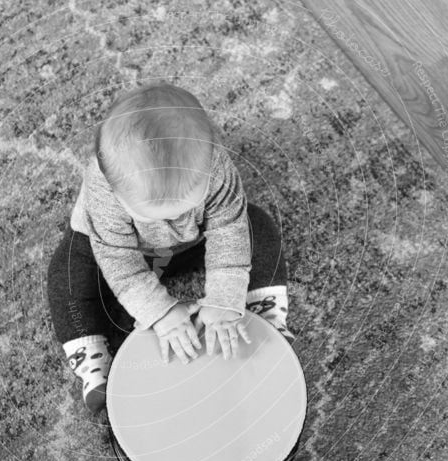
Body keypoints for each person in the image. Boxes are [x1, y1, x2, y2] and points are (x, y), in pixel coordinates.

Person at [47, 82, 293, 413]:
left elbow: (228, 231)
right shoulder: (103, 192)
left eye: (183, 207)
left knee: (256, 225)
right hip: (121, 250)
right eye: (157, 214)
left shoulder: (218, 170)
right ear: (115, 191)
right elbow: (120, 263)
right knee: (67, 272)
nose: (172, 220)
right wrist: (159, 312)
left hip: (196, 241)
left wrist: (224, 300)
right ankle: (92, 359)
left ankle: (267, 316)